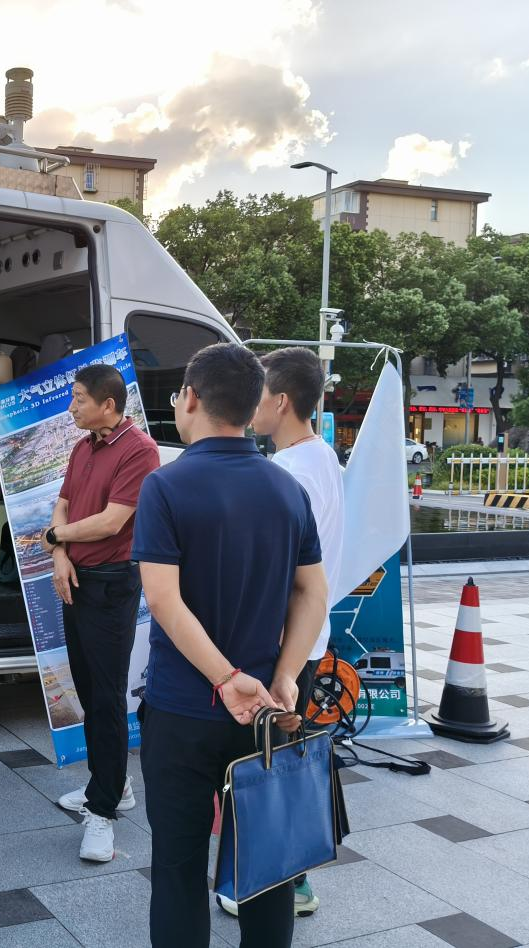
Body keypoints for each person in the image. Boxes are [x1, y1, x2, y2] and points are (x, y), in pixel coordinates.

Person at [132, 342, 328, 948]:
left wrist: (223, 678)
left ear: (190, 398)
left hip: (183, 709)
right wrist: (286, 675)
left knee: (178, 869)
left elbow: (164, 600)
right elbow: (312, 592)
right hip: (267, 713)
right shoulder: (287, 489)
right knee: (268, 868)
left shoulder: (165, 486)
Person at [227, 345, 345, 919]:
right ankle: (289, 880)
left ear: (280, 401)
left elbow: (279, 574)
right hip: (309, 639)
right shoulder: (324, 459)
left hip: (279, 645)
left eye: (258, 393)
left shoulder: (287, 472)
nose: (250, 405)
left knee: (266, 765)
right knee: (286, 759)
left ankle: (282, 884)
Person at [42, 363, 160, 862]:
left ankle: (103, 811)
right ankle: (112, 783)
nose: (72, 407)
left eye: (79, 399)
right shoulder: (82, 446)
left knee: (108, 696)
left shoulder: (140, 450)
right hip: (76, 578)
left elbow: (113, 522)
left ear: (108, 404)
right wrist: (60, 553)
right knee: (89, 690)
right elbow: (64, 503)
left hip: (111, 584)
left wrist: (55, 538)